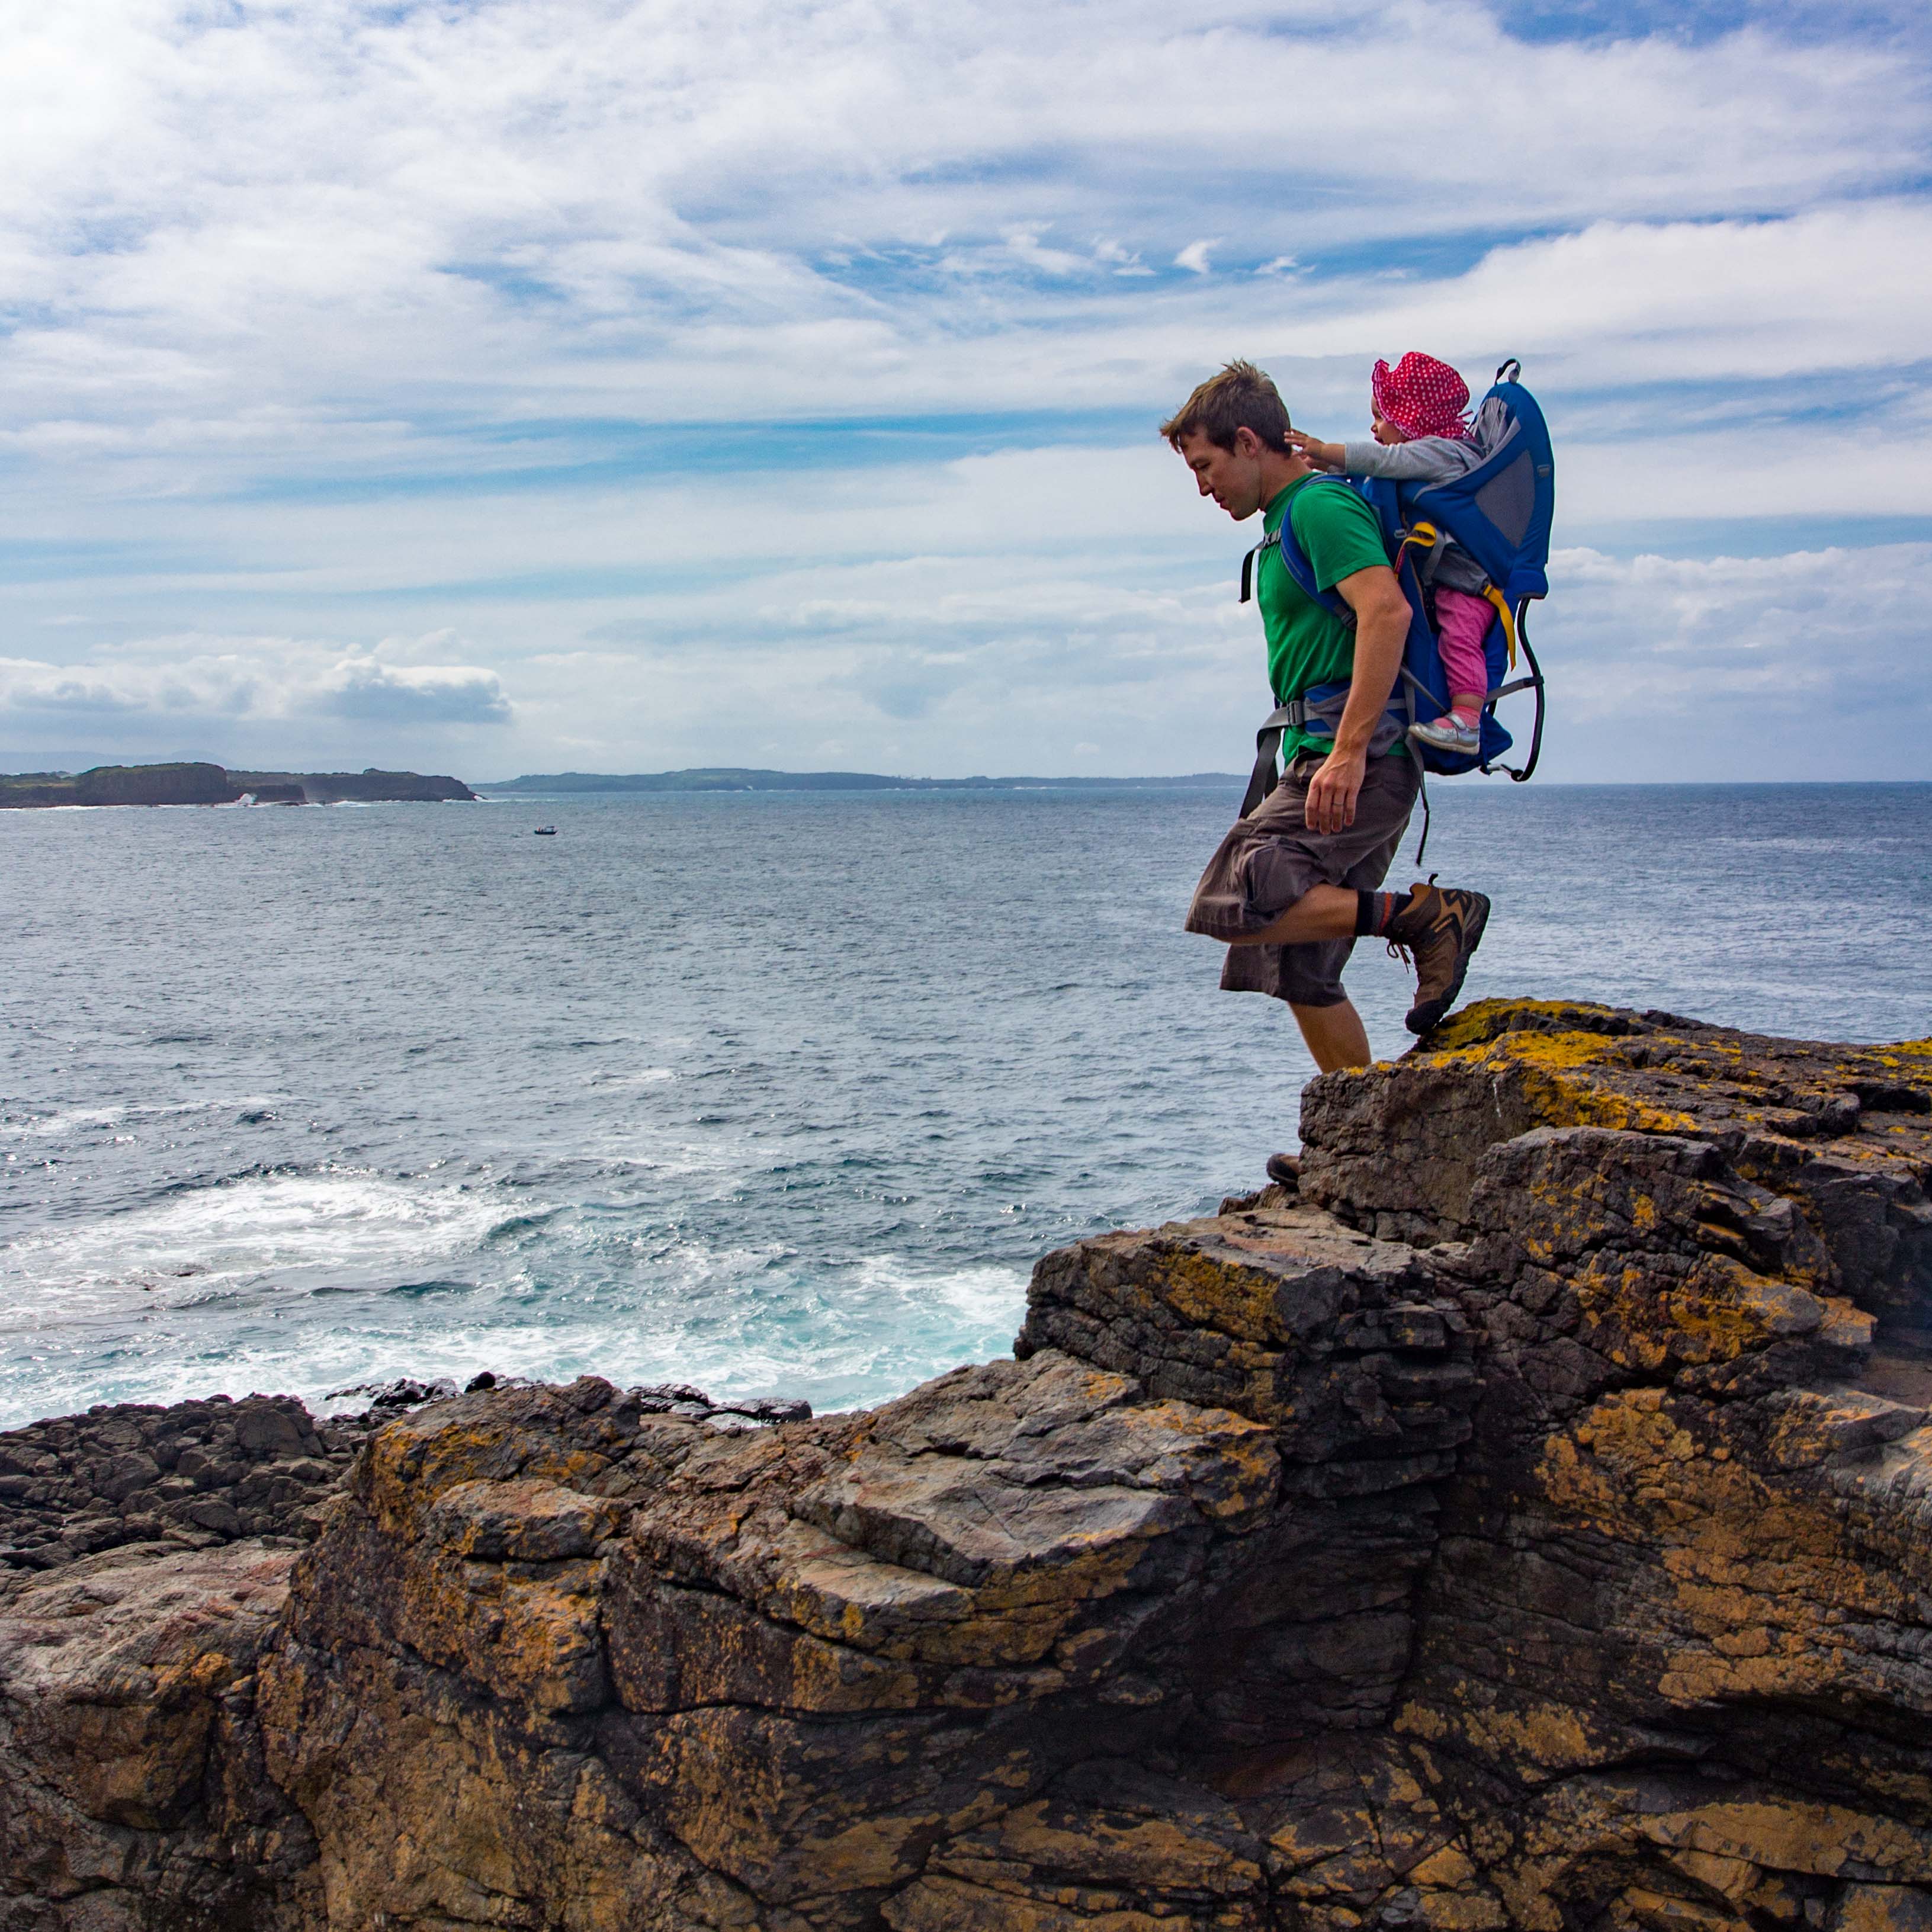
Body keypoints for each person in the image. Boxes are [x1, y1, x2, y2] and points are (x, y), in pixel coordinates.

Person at [1161, 359, 1490, 1081]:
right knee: (1300, 968)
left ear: (1250, 441)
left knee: (1230, 898)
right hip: (1325, 747)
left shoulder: (1317, 507)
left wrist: (1344, 755)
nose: (1203, 486)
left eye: (1206, 464)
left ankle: (1428, 914)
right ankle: (1356, 1130)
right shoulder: (1286, 522)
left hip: (1356, 754)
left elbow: (1386, 611)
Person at [1286, 351, 1492, 756]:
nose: (1374, 426)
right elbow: (1374, 479)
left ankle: (1469, 719)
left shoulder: (1447, 452)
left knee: (1459, 636)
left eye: (1381, 416)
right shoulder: (1430, 455)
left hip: (1469, 583)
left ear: (1412, 414)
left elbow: (1384, 462)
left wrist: (1328, 450)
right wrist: (1325, 468)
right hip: (1451, 575)